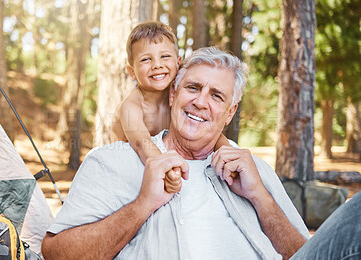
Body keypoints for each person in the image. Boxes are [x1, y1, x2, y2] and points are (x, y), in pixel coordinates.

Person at [41, 47, 360, 259]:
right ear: (174, 94)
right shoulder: (112, 161)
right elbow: (55, 253)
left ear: (230, 111)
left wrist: (260, 197)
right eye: (193, 88)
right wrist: (143, 205)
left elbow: (302, 252)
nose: (201, 102)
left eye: (216, 95)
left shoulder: (252, 169)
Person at [111, 21, 232, 193]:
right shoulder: (131, 106)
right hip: (128, 167)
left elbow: (210, 131)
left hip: (156, 161)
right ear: (132, 71)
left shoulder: (180, 99)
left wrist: (225, 150)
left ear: (178, 62)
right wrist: (166, 168)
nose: (157, 65)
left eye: (165, 56)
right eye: (146, 59)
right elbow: (141, 143)